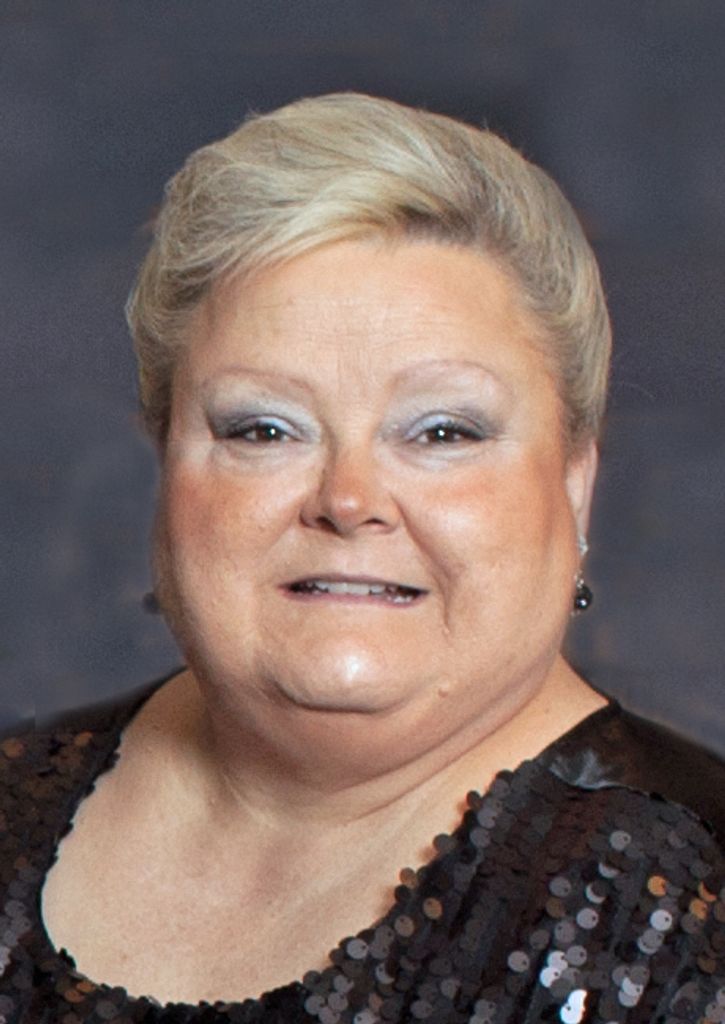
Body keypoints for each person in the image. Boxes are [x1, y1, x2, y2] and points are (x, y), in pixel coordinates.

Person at [2, 93, 724, 1024]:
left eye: (442, 431)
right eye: (264, 429)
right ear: (166, 459)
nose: (347, 501)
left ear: (573, 481)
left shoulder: (690, 908)